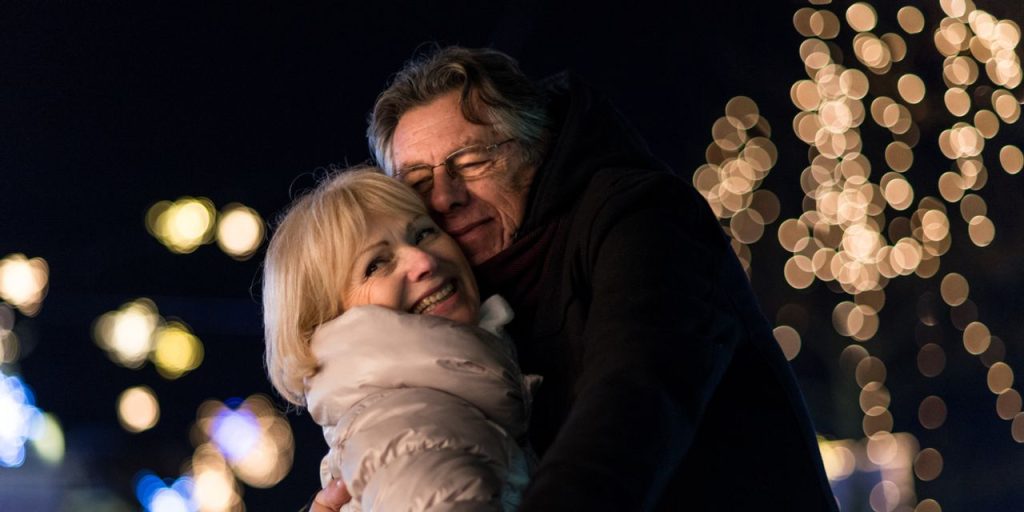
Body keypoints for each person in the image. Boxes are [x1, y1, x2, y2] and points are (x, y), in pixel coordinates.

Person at [316, 46, 837, 510]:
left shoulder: (640, 220)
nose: (445, 197)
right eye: (417, 182)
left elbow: (630, 404)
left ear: (535, 148)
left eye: (471, 162)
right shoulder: (457, 304)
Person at [264, 168, 539, 511]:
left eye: (423, 233)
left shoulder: (445, 402)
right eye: (376, 265)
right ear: (327, 322)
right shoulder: (409, 429)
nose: (423, 260)